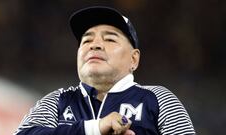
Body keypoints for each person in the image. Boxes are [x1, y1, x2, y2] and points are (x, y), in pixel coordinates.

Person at [14, 6, 195, 135]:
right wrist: (95, 128)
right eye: (87, 41)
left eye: (110, 39)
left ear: (134, 59)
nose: (95, 45)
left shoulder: (158, 98)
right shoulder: (57, 100)